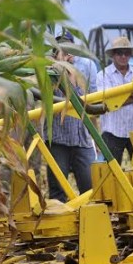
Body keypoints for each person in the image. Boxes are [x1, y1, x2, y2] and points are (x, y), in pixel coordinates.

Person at [44, 53, 95, 202]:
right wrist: (59, 66)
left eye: (68, 50)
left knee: (90, 188)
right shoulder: (49, 71)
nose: (66, 54)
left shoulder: (86, 66)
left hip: (82, 138)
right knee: (58, 191)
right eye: (61, 50)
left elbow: (91, 98)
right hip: (59, 140)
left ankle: (89, 220)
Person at [95, 36, 133, 162]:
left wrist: (118, 98)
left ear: (130, 55)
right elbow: (108, 100)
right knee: (112, 171)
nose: (123, 56)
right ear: (113, 55)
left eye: (126, 53)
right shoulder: (103, 75)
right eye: (119, 53)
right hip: (112, 130)